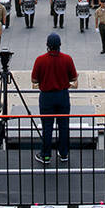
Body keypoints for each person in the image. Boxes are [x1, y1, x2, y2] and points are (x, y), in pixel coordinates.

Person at [31, 33, 79, 163]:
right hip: (62, 95)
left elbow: (34, 79)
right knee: (64, 126)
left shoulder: (40, 60)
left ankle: (46, 155)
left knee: (47, 126)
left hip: (47, 96)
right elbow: (73, 78)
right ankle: (64, 153)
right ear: (60, 45)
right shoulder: (67, 59)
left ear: (47, 45)